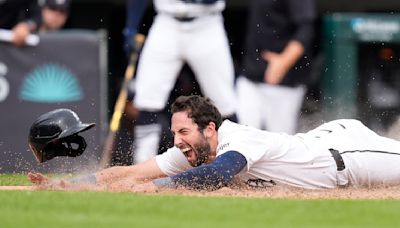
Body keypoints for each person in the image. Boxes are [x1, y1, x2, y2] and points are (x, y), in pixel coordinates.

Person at [29, 95, 400, 191]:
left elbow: (220, 174)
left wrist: (156, 189)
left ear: (210, 129)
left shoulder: (237, 139)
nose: (177, 142)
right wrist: (67, 185)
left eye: (184, 133)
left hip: (347, 155)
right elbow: (130, 172)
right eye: (174, 134)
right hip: (322, 147)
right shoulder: (192, 152)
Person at [127, 0, 237, 164]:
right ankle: (142, 161)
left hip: (207, 24)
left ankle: (233, 156)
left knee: (224, 102)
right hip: (166, 23)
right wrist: (131, 26)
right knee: (147, 97)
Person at [237, 0, 316, 134]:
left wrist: (283, 62)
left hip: (283, 84)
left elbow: (306, 29)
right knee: (240, 139)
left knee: (280, 144)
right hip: (250, 78)